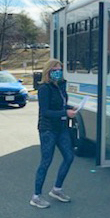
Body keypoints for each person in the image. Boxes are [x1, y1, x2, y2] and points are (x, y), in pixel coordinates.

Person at [30, 59, 76, 208]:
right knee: (46, 161)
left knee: (69, 156)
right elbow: (46, 111)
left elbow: (61, 104)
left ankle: (57, 189)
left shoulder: (61, 86)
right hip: (48, 129)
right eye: (55, 69)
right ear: (48, 71)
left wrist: (70, 108)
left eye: (60, 69)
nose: (58, 71)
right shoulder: (44, 88)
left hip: (61, 128)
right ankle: (36, 196)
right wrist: (65, 112)